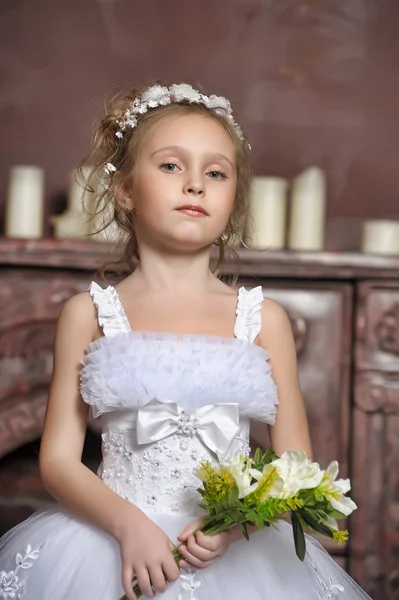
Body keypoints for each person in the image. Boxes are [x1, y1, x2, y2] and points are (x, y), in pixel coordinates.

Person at [0, 82, 371, 600]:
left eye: (215, 173)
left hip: (239, 558)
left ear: (232, 201)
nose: (195, 185)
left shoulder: (264, 319)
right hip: (112, 541)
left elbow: (298, 471)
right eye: (172, 166)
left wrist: (233, 527)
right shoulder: (89, 314)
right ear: (125, 189)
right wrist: (129, 527)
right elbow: (59, 460)